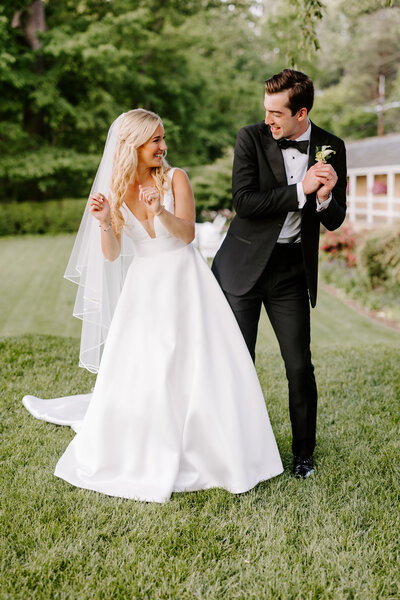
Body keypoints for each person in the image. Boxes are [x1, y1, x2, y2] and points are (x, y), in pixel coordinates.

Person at [23, 108, 283, 503]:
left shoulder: (176, 178)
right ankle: (150, 438)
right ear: (134, 145)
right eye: (155, 140)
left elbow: (187, 236)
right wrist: (104, 221)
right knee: (148, 365)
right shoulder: (115, 189)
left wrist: (160, 209)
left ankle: (213, 444)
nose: (163, 146)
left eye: (163, 138)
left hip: (186, 282)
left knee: (199, 362)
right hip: (144, 287)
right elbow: (111, 256)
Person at [212, 69, 347, 479]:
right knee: (238, 363)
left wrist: (323, 198)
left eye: (277, 113)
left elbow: (337, 219)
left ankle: (303, 454)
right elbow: (244, 201)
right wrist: (301, 190)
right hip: (242, 266)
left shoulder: (331, 147)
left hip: (290, 271)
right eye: (266, 110)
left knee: (298, 366)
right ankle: (232, 452)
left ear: (301, 112)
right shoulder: (250, 137)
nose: (268, 119)